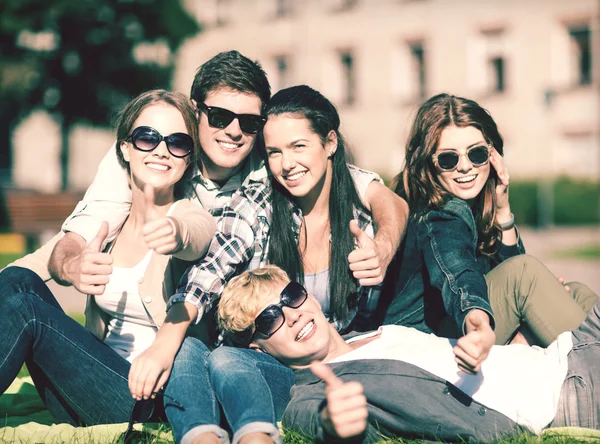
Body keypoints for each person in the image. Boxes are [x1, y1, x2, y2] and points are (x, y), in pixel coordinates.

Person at [160, 84, 405, 444]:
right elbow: (212, 266)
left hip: (333, 368)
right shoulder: (260, 202)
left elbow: (394, 204)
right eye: (273, 152)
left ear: (331, 143)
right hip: (272, 364)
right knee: (214, 356)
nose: (286, 164)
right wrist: (165, 339)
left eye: (298, 146)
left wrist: (382, 248)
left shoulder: (358, 216)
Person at [0, 90, 229, 443]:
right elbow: (33, 268)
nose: (161, 150)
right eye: (147, 137)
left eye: (177, 142)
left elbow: (199, 232)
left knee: (30, 313)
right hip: (89, 386)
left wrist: (175, 232)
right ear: (125, 147)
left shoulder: (185, 214)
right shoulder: (111, 224)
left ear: (188, 159)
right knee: (18, 279)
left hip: (146, 402)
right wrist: (72, 263)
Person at [218, 265, 600, 443]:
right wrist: (336, 427)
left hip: (563, 351)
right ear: (258, 346)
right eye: (269, 319)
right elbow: (319, 423)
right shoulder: (310, 396)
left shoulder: (372, 331)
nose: (292, 313)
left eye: (292, 296)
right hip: (566, 388)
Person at [379, 93, 597, 371]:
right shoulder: (440, 214)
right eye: (448, 159)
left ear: (492, 155)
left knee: (574, 293)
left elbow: (508, 279)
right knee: (526, 275)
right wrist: (477, 321)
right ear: (428, 164)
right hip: (424, 352)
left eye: (477, 153)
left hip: (450, 332)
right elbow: (458, 273)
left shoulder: (469, 208)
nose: (466, 166)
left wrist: (503, 210)